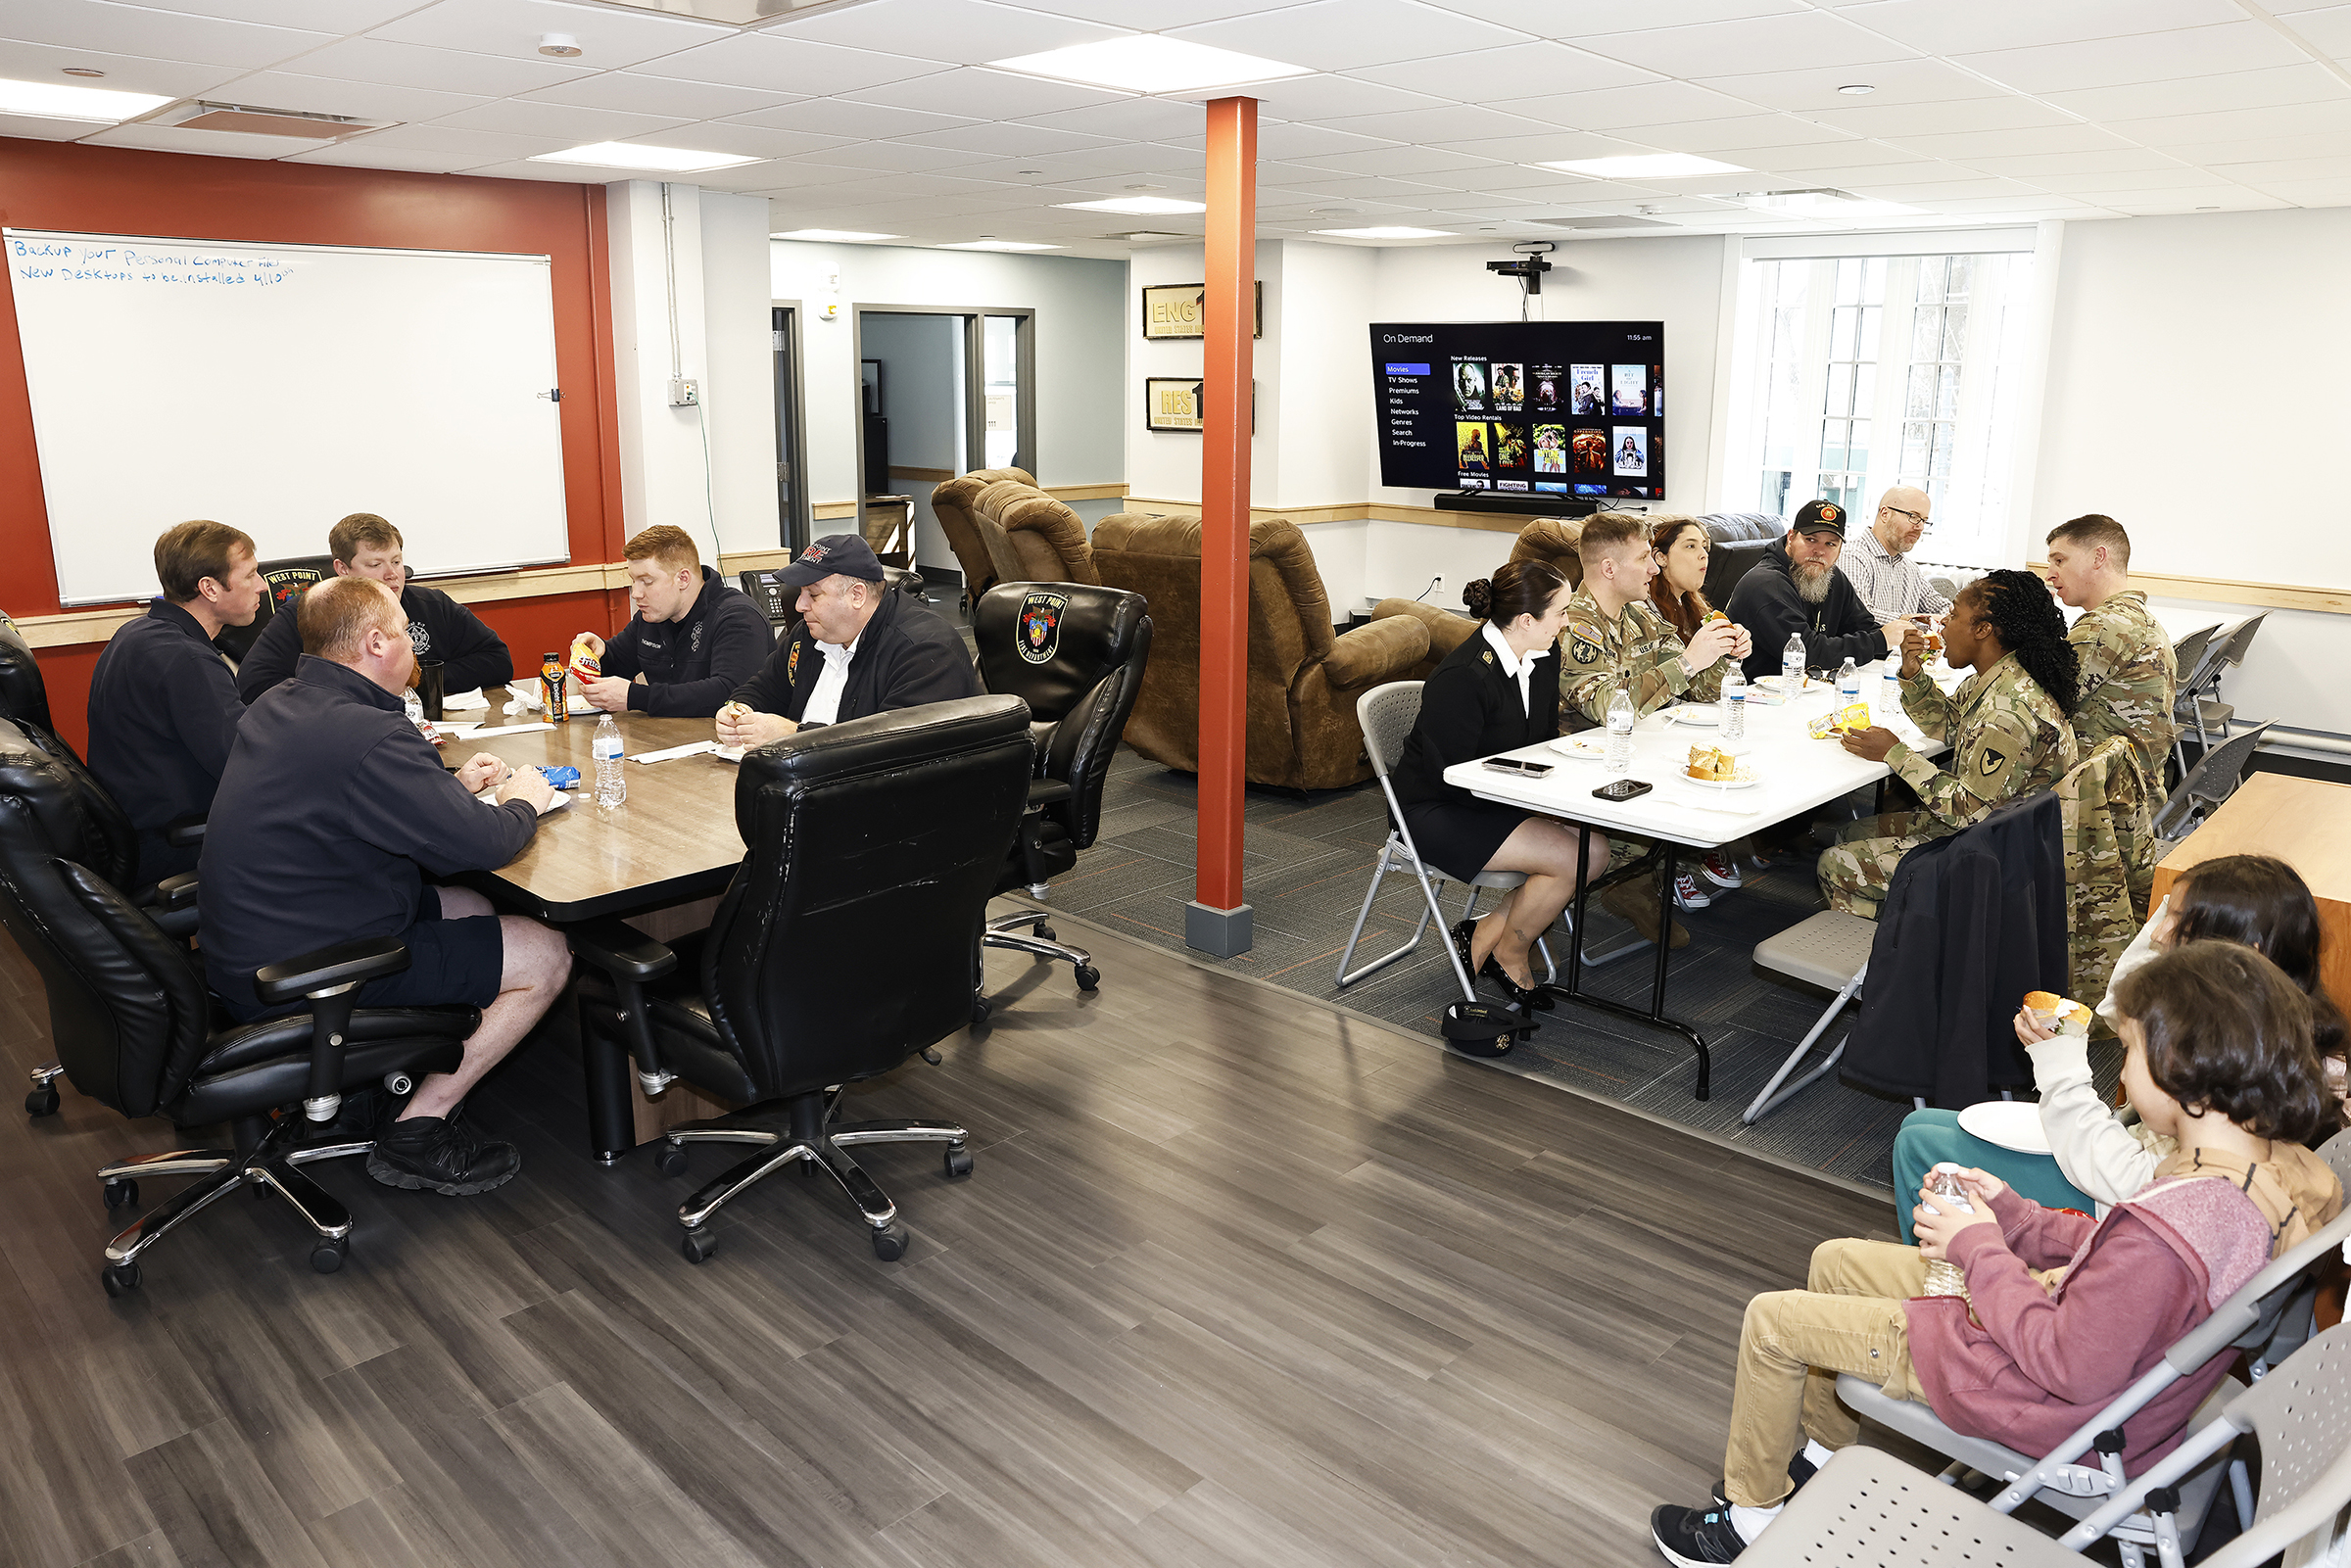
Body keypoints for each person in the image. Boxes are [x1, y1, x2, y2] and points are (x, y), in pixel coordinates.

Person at [1650, 940, 2343, 1566]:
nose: (2124, 1067)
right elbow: (2120, 1263)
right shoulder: (2257, 1171)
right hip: (2085, 1352)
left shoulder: (2179, 1222)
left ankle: (1745, 1523)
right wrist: (2015, 1217)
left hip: (2036, 1393)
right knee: (1837, 1260)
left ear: (2181, 1068)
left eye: (2130, 1050)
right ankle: (1821, 1457)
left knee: (1773, 1323)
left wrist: (1978, 1245)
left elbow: (2068, 1359)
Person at [198, 576, 572, 1196]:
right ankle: (419, 1129)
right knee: (546, 951)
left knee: (471, 904)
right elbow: (483, 845)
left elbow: (348, 803)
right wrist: (524, 802)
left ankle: (379, 1079)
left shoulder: (282, 704)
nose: (413, 648)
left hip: (250, 945)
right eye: (402, 633)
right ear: (375, 642)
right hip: (308, 970)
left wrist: (450, 794)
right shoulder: (371, 733)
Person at [1891, 854, 2351, 1238]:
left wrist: (2063, 1073)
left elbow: (2134, 1182)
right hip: (2126, 1172)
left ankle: (1950, 1284)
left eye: (2178, 921)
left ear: (2240, 948)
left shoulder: (2246, 1057)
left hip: (2118, 1208)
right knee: (1923, 1125)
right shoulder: (2270, 1022)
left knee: (1922, 1144)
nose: (2157, 935)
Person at [1388, 561, 1609, 1008]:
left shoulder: (1545, 658)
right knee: (1572, 856)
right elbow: (1452, 775)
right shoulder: (1463, 677)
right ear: (1527, 621)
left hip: (1501, 793)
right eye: (1562, 612)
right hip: (1438, 807)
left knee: (1597, 850)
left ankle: (1484, 931)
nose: (1568, 622)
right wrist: (1532, 804)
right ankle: (1510, 953)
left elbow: (1542, 744)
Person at [1822, 569, 2081, 920]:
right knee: (1848, 832)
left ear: (1983, 629)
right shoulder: (2001, 676)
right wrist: (1913, 674)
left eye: (1954, 614)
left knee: (1836, 863)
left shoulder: (2009, 711)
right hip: (1998, 831)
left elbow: (1967, 809)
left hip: (1996, 856)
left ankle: (1903, 958)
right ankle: (1909, 929)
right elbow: (1949, 723)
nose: (1942, 623)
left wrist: (1894, 753)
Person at [1559, 514, 1749, 944]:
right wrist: (1685, 662)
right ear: (1609, 568)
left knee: (1713, 775)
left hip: (1635, 752)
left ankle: (1633, 884)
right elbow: (1609, 706)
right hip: (1582, 767)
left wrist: (1725, 654)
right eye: (1645, 557)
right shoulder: (1576, 624)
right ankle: (1539, 921)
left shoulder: (1640, 613)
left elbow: (1701, 689)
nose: (1653, 568)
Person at [85, 521, 261, 885]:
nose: (262, 585)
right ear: (210, 588)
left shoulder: (137, 633)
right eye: (251, 575)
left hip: (135, 834)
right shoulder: (187, 660)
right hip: (173, 843)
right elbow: (247, 765)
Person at [717, 535, 978, 747]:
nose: (799, 605)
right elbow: (763, 688)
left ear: (856, 595)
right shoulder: (809, 634)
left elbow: (893, 749)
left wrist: (795, 735)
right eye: (800, 592)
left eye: (813, 594)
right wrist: (737, 709)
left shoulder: (925, 652)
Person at [232, 512, 513, 702]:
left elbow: (498, 660)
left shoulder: (432, 605)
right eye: (375, 565)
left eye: (396, 561)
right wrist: (356, 693)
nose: (392, 574)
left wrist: (416, 683)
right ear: (343, 569)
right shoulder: (307, 613)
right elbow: (255, 685)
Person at [1647, 519, 1751, 900]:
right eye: (1690, 547)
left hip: (1682, 715)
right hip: (1654, 721)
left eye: (1705, 546)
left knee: (1738, 739)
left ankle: (1695, 848)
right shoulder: (1646, 609)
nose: (1704, 555)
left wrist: (1733, 652)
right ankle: (1672, 858)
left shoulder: (1695, 604)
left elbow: (1707, 690)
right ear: (1659, 557)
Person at [2044, 513, 2176, 815]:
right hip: (2126, 790)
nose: (2050, 574)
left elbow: (2037, 702)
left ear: (2098, 557)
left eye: (2060, 561)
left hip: (2103, 804)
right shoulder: (2132, 616)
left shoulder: (2107, 624)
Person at [573, 525, 771, 718]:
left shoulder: (738, 617)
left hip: (733, 743)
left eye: (647, 581)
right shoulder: (652, 617)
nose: (636, 593)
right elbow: (617, 666)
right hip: (669, 739)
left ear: (683, 579)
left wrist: (637, 697)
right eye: (633, 580)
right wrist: (599, 654)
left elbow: (729, 694)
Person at [1724, 500, 1902, 681]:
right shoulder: (1764, 584)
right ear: (1791, 537)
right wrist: (1881, 641)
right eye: (1811, 540)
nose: (1819, 551)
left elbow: (1864, 627)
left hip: (1807, 691)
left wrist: (1903, 646)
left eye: (1830, 544)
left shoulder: (1831, 577)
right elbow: (1806, 652)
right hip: (1753, 697)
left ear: (1840, 549)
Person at [1837, 486, 1950, 623]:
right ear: (1885, 514)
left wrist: (1959, 617)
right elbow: (1858, 615)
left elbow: (1938, 605)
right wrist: (1912, 621)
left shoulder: (1909, 568)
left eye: (1924, 521)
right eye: (1913, 516)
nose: (1920, 527)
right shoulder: (1853, 558)